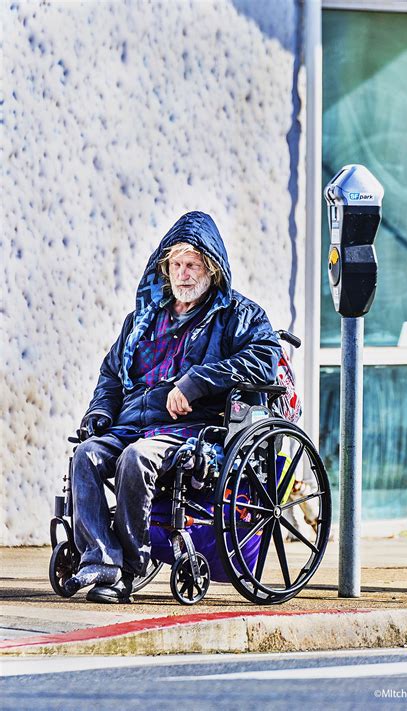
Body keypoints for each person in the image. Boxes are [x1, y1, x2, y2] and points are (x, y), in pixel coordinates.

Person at [65, 211, 281, 603]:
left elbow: (264, 359)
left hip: (191, 429)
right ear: (165, 268)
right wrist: (98, 412)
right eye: (176, 264)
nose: (183, 273)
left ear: (211, 269)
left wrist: (196, 382)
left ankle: (128, 567)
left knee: (137, 458)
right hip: (131, 422)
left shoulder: (239, 316)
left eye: (192, 265)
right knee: (86, 455)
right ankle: (101, 560)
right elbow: (112, 375)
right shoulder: (142, 320)